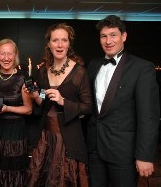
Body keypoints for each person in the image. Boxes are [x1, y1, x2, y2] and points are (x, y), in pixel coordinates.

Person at [87, 15, 160, 187]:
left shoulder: (142, 68)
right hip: (95, 149)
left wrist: (145, 155)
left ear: (124, 36)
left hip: (123, 152)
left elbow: (148, 116)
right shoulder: (93, 65)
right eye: (104, 36)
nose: (108, 41)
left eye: (113, 35)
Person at [25, 23, 93, 187]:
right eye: (55, 40)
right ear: (49, 44)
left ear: (69, 44)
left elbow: (88, 107)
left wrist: (64, 101)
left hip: (69, 140)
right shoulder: (42, 71)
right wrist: (36, 95)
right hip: (45, 139)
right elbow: (43, 99)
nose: (60, 45)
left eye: (64, 40)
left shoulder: (79, 72)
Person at [0, 39, 32, 187]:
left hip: (15, 133)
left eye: (10, 54)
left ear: (15, 55)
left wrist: (8, 109)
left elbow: (28, 109)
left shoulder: (23, 78)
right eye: (2, 53)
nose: (6, 58)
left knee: (12, 173)